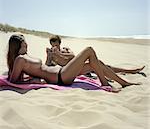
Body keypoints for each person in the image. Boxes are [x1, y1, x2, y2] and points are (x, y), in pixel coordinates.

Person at [7, 34, 141, 92]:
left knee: (96, 63)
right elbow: (13, 81)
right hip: (61, 76)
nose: (26, 45)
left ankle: (123, 82)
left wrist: (33, 77)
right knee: (89, 50)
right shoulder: (19, 59)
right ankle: (105, 84)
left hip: (61, 72)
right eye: (24, 44)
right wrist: (34, 81)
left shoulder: (24, 57)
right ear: (17, 46)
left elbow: (34, 71)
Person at [45, 35, 145, 75]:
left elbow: (73, 56)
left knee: (101, 65)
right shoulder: (51, 54)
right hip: (70, 73)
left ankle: (130, 71)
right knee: (98, 67)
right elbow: (47, 66)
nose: (55, 47)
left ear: (60, 43)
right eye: (53, 45)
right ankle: (127, 71)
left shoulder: (65, 49)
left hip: (78, 67)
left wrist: (59, 54)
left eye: (57, 45)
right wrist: (50, 57)